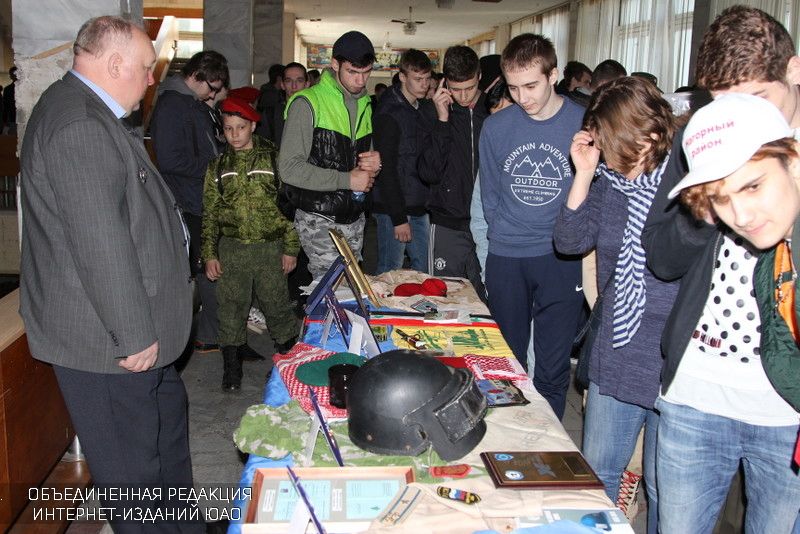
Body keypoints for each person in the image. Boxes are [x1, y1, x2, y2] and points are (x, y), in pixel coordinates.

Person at [19, 16, 200, 532]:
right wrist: (134, 333)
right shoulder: (78, 123)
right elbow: (99, 241)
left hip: (135, 334)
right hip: (109, 343)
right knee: (133, 478)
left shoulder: (94, 113)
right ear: (115, 63)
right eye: (145, 68)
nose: (150, 80)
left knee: (164, 447)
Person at [642, 7, 800, 532]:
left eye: (755, 99)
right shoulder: (705, 138)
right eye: (722, 103)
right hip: (697, 393)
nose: (740, 122)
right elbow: (661, 257)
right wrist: (706, 206)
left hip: (787, 410)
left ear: (793, 71)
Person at [553, 77, 680, 534]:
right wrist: (585, 173)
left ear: (647, 134)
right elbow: (569, 241)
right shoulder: (608, 182)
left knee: (666, 491)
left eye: (612, 146)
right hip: (617, 348)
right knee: (598, 476)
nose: (608, 157)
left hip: (672, 357)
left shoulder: (686, 186)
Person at [479, 33, 585, 419]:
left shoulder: (583, 123)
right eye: (513, 87)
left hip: (561, 257)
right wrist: (503, 232)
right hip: (507, 256)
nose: (522, 97)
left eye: (531, 86)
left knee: (553, 370)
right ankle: (512, 436)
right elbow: (490, 193)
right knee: (508, 365)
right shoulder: (496, 127)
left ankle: (546, 441)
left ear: (553, 75)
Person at [202, 98, 299, 391]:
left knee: (277, 305)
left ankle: (289, 365)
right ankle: (232, 370)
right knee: (230, 309)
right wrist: (209, 254)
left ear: (253, 126)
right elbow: (210, 214)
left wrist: (290, 248)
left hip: (269, 248)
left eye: (241, 127)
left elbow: (290, 208)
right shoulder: (218, 166)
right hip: (232, 249)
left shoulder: (274, 160)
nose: (234, 134)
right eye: (228, 128)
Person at [278, 30, 381, 281]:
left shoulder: (365, 103)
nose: (360, 80)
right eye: (352, 72)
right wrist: (347, 180)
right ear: (335, 64)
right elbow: (289, 169)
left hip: (354, 216)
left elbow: (359, 162)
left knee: (348, 290)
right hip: (319, 217)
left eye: (366, 72)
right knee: (331, 290)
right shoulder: (307, 103)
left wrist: (373, 165)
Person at [150, 50, 229, 353]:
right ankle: (208, 335)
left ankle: (212, 332)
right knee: (205, 269)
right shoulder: (173, 105)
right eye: (211, 87)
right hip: (188, 201)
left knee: (208, 267)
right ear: (196, 76)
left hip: (199, 197)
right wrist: (214, 167)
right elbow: (170, 160)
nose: (213, 95)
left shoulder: (190, 102)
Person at [418, 45, 488, 299]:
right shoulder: (431, 111)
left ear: (479, 76)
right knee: (443, 296)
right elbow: (428, 172)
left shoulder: (494, 110)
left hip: (488, 223)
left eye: (470, 87)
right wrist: (443, 121)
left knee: (487, 295)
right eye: (456, 89)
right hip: (448, 222)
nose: (463, 96)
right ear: (445, 82)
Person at [371, 49, 432, 274]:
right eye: (418, 79)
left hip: (417, 203)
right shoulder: (389, 112)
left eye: (427, 78)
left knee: (423, 271)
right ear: (403, 77)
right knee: (390, 272)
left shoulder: (420, 107)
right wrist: (398, 218)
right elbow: (386, 169)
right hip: (393, 209)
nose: (424, 84)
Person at [256, 63, 285, 144]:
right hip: (270, 138)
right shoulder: (270, 95)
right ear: (279, 78)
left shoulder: (270, 91)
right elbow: (272, 121)